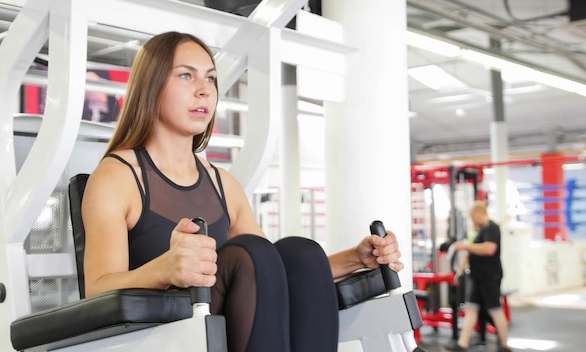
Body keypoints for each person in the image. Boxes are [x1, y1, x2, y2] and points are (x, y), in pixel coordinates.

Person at [81, 31, 404, 352]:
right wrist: (165, 268)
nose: (204, 91)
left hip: (230, 330)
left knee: (300, 253)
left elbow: (277, 272)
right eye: (186, 76)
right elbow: (97, 289)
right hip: (159, 338)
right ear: (151, 86)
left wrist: (356, 259)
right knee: (249, 252)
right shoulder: (117, 178)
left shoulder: (224, 185)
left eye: (211, 79)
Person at [446, 201, 511, 352]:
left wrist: (465, 246)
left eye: (472, 216)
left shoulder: (491, 227)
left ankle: (504, 345)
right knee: (471, 309)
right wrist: (461, 269)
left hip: (489, 277)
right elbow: (472, 252)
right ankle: (462, 344)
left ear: (479, 212)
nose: (472, 219)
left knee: (495, 309)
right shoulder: (481, 230)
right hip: (477, 277)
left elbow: (489, 249)